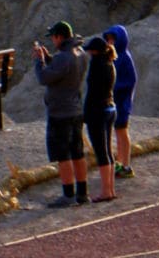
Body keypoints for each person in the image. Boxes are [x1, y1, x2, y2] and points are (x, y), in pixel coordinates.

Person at [32, 19, 89, 207]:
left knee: (63, 155)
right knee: (78, 152)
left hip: (60, 113)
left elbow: (44, 78)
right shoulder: (80, 53)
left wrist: (39, 62)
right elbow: (62, 70)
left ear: (59, 37)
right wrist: (49, 59)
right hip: (76, 109)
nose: (52, 42)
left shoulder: (63, 57)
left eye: (53, 38)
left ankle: (68, 194)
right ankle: (82, 193)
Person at [81, 36, 117, 202]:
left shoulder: (97, 64)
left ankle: (105, 191)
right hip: (110, 108)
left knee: (101, 152)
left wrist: (85, 114)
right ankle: (110, 189)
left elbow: (92, 93)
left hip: (98, 111)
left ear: (95, 51)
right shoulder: (110, 63)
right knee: (108, 151)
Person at [104, 23, 137, 177]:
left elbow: (131, 80)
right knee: (117, 133)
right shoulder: (114, 57)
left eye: (113, 40)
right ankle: (120, 162)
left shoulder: (125, 57)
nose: (110, 43)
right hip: (114, 102)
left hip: (122, 102)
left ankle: (126, 165)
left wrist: (114, 87)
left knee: (122, 133)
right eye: (109, 40)